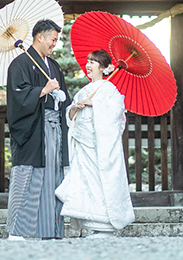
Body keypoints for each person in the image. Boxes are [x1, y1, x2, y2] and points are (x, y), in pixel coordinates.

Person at [55, 49, 135, 238]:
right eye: (88, 61)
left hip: (100, 146)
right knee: (85, 184)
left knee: (100, 182)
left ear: (103, 68)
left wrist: (95, 104)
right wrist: (74, 108)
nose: (88, 65)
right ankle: (93, 225)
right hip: (83, 145)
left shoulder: (110, 90)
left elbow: (117, 112)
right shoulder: (83, 91)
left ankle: (105, 226)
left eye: (93, 62)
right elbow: (70, 117)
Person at [6, 19, 69, 240]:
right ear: (39, 37)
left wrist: (68, 103)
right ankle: (17, 231)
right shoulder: (20, 64)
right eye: (53, 39)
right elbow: (17, 96)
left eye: (57, 40)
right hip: (33, 129)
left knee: (53, 177)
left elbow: (64, 100)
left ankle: (50, 231)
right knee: (27, 176)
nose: (55, 44)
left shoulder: (55, 66)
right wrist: (43, 90)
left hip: (54, 129)